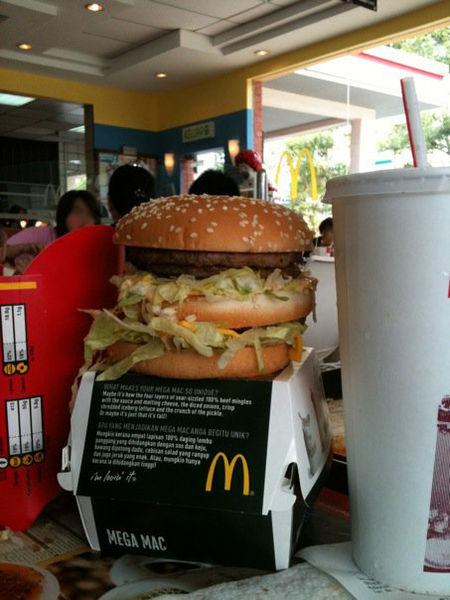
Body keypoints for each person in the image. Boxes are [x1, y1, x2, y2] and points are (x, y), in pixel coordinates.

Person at [6, 190, 101, 272]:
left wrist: (35, 271)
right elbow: (3, 252)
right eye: (78, 212)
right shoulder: (41, 235)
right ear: (64, 215)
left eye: (90, 214)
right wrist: (24, 248)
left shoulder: (98, 250)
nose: (85, 219)